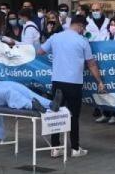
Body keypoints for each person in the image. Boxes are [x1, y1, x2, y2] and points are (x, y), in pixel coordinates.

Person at [38, 16, 107, 157]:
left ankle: (55, 148)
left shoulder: (55, 37)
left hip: (57, 82)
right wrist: (99, 81)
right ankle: (75, 148)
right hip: (74, 83)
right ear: (80, 26)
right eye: (84, 28)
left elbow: (40, 51)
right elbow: (91, 63)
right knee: (73, 115)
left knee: (56, 113)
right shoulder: (82, 41)